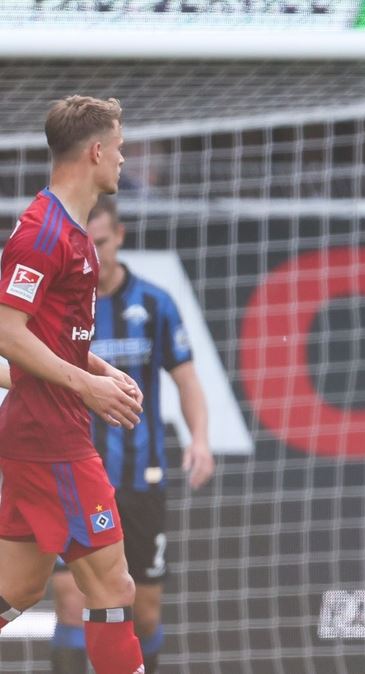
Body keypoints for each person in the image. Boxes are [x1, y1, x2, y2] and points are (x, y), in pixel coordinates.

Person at [0, 95, 146, 673]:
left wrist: (99, 369)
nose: (123, 160)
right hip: (51, 439)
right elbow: (6, 332)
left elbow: (46, 339)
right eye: (119, 148)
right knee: (115, 590)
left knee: (17, 589)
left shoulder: (73, 232)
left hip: (39, 431)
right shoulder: (43, 233)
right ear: (94, 151)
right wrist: (85, 388)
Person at [49, 196, 214, 674]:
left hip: (140, 480)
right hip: (75, 473)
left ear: (118, 237)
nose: (96, 258)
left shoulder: (155, 303)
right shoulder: (64, 309)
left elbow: (186, 379)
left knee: (142, 611)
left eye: (102, 244)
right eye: (87, 247)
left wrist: (199, 439)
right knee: (69, 600)